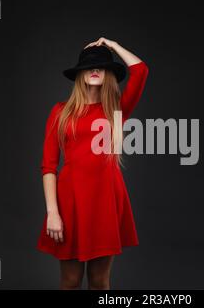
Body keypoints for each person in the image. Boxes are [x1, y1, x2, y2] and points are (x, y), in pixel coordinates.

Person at [36, 37, 149, 290]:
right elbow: (48, 167)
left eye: (101, 66)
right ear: (80, 74)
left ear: (109, 73)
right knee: (70, 281)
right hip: (70, 202)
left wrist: (114, 45)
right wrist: (52, 212)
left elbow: (141, 71)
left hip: (104, 202)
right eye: (89, 66)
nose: (95, 70)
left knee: (99, 281)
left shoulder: (115, 110)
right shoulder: (60, 111)